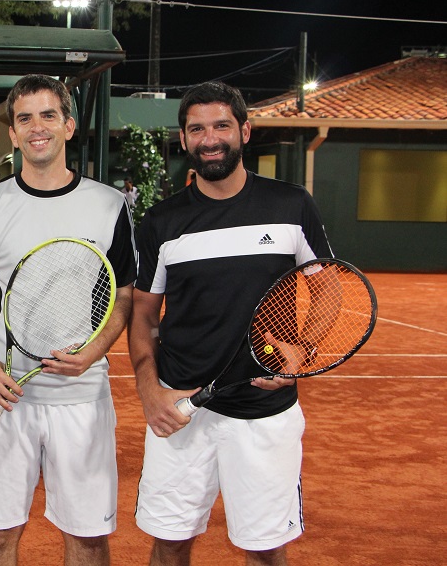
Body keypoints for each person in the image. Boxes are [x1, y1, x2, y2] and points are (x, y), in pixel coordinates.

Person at [128, 81, 334, 566]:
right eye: (197, 129)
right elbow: (143, 314)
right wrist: (149, 390)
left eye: (221, 125)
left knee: (264, 549)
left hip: (265, 411)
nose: (210, 139)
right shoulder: (161, 221)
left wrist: (305, 350)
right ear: (184, 138)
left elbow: (329, 288)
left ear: (244, 130)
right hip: (181, 410)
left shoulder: (291, 204)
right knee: (169, 544)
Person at [0, 74, 137, 565]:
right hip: (1, 395)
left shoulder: (109, 205)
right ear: (12, 134)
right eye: (25, 118)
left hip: (82, 399)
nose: (37, 127)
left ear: (69, 126)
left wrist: (95, 351)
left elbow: (123, 296)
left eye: (48, 115)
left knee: (87, 540)